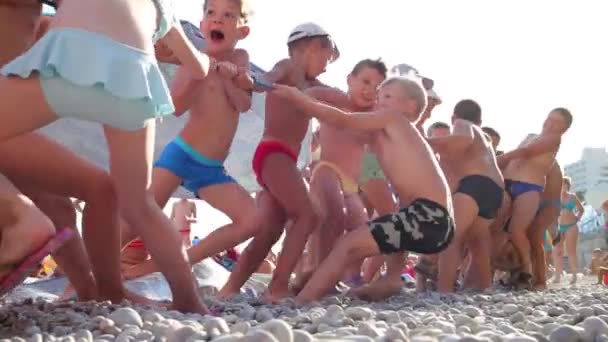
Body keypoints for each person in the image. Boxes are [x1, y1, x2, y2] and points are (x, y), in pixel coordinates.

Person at [0, 0, 217, 313]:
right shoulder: (162, 9)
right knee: (140, 201)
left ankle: (98, 286)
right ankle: (190, 300)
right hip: (134, 80)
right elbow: (198, 67)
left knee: (102, 188)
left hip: (66, 67)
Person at [272, 77, 455, 304]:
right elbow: (349, 128)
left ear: (410, 107)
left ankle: (304, 299)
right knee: (377, 233)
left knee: (347, 246)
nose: (379, 100)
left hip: (429, 216)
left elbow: (342, 119)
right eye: (379, 97)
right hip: (434, 221)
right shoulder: (390, 139)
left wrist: (297, 98)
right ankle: (390, 279)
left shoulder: (393, 119)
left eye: (387, 96)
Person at [119, 0, 257, 282]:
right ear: (203, 24)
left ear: (242, 31)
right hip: (182, 155)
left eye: (228, 15)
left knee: (252, 221)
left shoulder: (240, 59)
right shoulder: (193, 59)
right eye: (211, 13)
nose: (217, 20)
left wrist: (231, 77)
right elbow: (177, 106)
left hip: (210, 169)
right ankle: (86, 273)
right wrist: (200, 72)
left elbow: (243, 104)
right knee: (136, 218)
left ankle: (157, 267)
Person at [218, 22, 339, 302]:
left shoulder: (314, 85)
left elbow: (341, 100)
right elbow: (266, 79)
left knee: (270, 228)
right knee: (309, 214)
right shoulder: (289, 67)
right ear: (312, 47)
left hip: (281, 160)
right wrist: (251, 80)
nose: (326, 66)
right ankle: (278, 286)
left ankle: (230, 288)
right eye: (326, 58)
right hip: (274, 153)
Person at [300, 59, 387, 291]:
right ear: (350, 79)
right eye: (365, 82)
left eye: (377, 88)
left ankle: (349, 274)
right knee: (334, 215)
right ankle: (317, 269)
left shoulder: (374, 114)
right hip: (326, 169)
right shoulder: (336, 99)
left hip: (352, 182)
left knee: (361, 225)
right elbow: (307, 94)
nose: (369, 90)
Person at [430, 99, 504, 293]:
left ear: (454, 118)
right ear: (480, 121)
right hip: (496, 189)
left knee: (451, 238)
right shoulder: (485, 138)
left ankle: (444, 291)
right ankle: (486, 286)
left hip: (476, 183)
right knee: (478, 240)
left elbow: (463, 139)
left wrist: (425, 142)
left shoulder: (462, 125)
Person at [498, 108, 572, 284]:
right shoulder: (532, 138)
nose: (550, 123)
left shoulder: (551, 142)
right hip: (518, 190)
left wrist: (502, 158)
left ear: (563, 129)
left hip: (544, 200)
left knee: (533, 234)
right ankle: (517, 273)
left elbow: (526, 152)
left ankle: (537, 279)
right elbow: (523, 153)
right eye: (549, 118)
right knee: (506, 232)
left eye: (556, 122)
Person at [527, 162, 562, 289]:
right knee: (535, 244)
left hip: (548, 208)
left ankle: (541, 280)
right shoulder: (548, 163)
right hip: (545, 208)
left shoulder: (550, 163)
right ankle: (537, 277)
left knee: (538, 242)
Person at [553, 176, 583, 284]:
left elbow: (581, 209)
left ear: (568, 186)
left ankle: (574, 275)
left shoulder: (573, 197)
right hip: (559, 227)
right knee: (557, 251)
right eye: (562, 184)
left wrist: (577, 218)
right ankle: (557, 276)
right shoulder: (555, 197)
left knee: (571, 251)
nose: (563, 186)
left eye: (565, 184)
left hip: (571, 226)